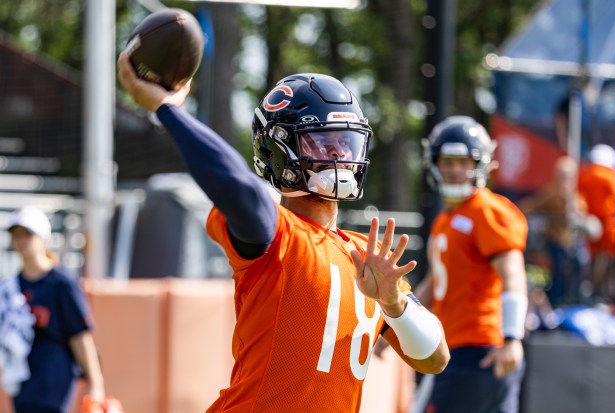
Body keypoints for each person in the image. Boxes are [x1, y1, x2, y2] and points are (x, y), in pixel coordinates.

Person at [117, 51, 450, 413]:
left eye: (345, 141)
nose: (339, 154)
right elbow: (237, 187)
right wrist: (169, 109)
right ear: (276, 150)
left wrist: (393, 304)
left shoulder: (369, 258)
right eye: (321, 142)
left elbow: (435, 359)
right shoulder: (278, 233)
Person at [415, 116, 529, 413]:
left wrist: (513, 337)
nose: (454, 170)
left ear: (481, 165)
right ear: (434, 164)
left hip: (482, 349)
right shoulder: (445, 220)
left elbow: (513, 272)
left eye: (463, 162)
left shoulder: (487, 210)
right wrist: (394, 327)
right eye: (448, 161)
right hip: (456, 348)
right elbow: (435, 284)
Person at [7, 206, 105, 413]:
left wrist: (96, 384)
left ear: (43, 237)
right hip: (22, 383)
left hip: (54, 380)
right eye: (16, 235)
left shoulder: (61, 283)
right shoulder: (11, 286)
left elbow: (80, 336)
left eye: (28, 234)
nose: (21, 240)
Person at [518, 156, 597, 306]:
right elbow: (529, 206)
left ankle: (573, 299)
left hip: (572, 243)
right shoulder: (551, 194)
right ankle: (556, 301)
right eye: (563, 176)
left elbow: (583, 216)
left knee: (580, 265)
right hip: (554, 241)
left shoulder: (577, 198)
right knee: (557, 269)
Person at [578, 144, 615, 306]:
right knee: (609, 258)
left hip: (591, 223)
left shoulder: (585, 174)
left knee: (595, 258)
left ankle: (594, 291)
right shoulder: (610, 176)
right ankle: (603, 293)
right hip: (608, 224)